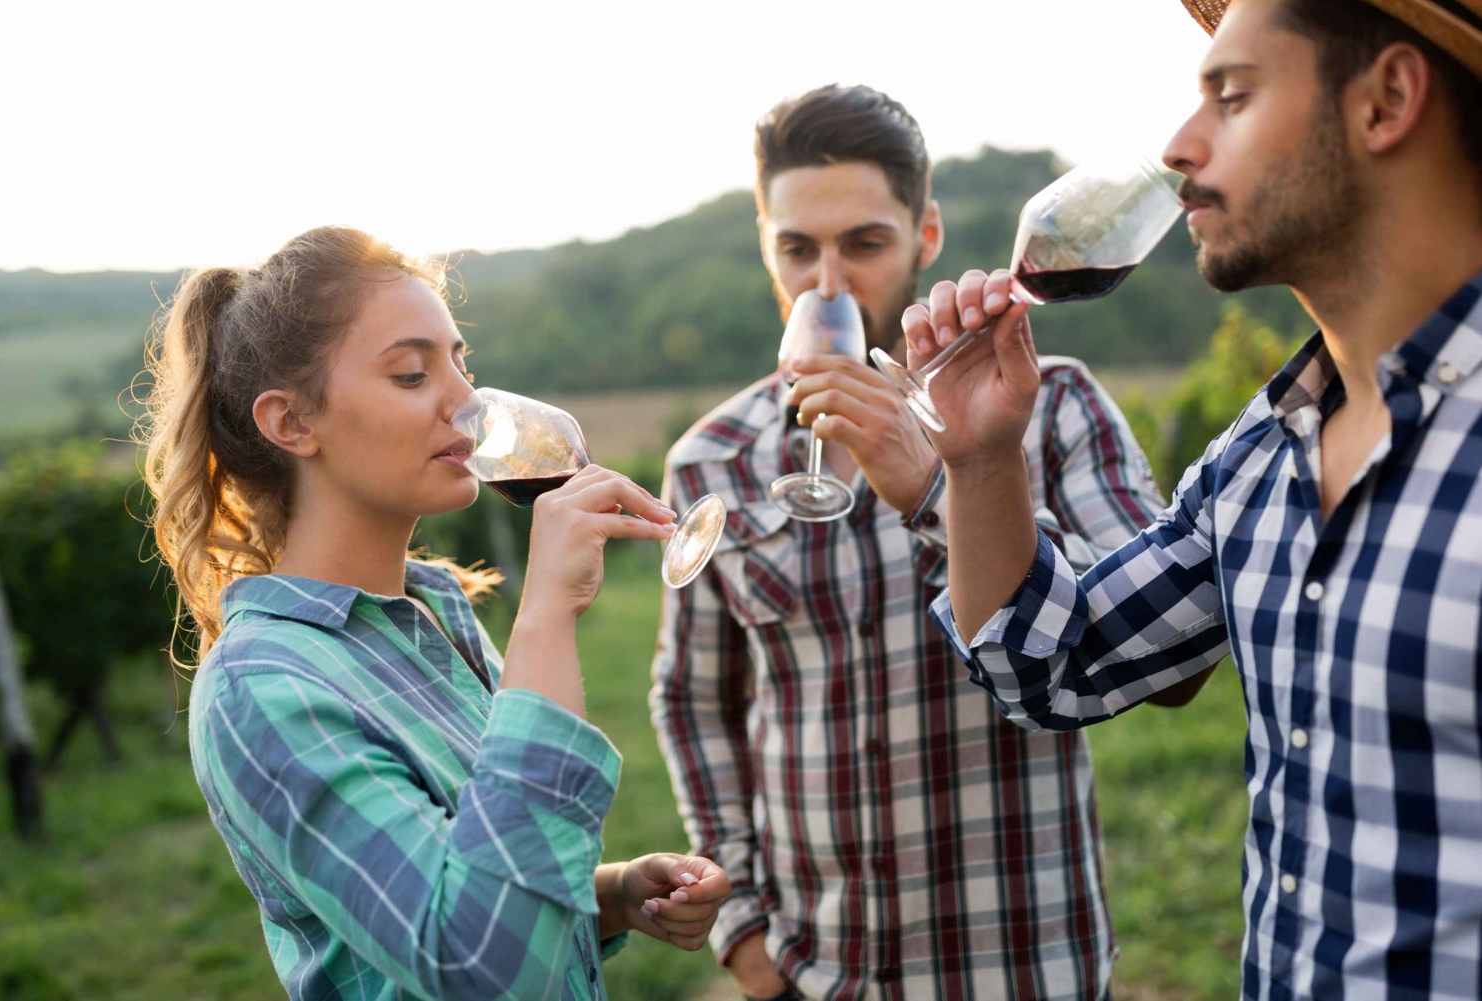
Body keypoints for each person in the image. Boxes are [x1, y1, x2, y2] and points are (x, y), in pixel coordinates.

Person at [900, 1, 1482, 997]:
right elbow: (1055, 663)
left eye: (1233, 95)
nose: (1179, 145)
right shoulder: (1258, 459)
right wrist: (982, 461)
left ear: (1386, 99)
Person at [650, 84, 1197, 1001]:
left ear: (926, 236)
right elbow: (694, 699)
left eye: (863, 243)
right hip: (816, 974)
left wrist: (943, 487)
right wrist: (746, 940)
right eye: (797, 248)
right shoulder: (710, 459)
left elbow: (1173, 669)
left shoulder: (1053, 406)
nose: (828, 283)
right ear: (764, 246)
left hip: (1019, 968)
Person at [141, 226, 731, 1000]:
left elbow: (481, 869)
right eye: (413, 374)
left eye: (463, 363)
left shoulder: (430, 611)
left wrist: (610, 893)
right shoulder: (261, 687)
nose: (469, 404)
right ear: (291, 423)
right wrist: (547, 614)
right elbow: (478, 964)